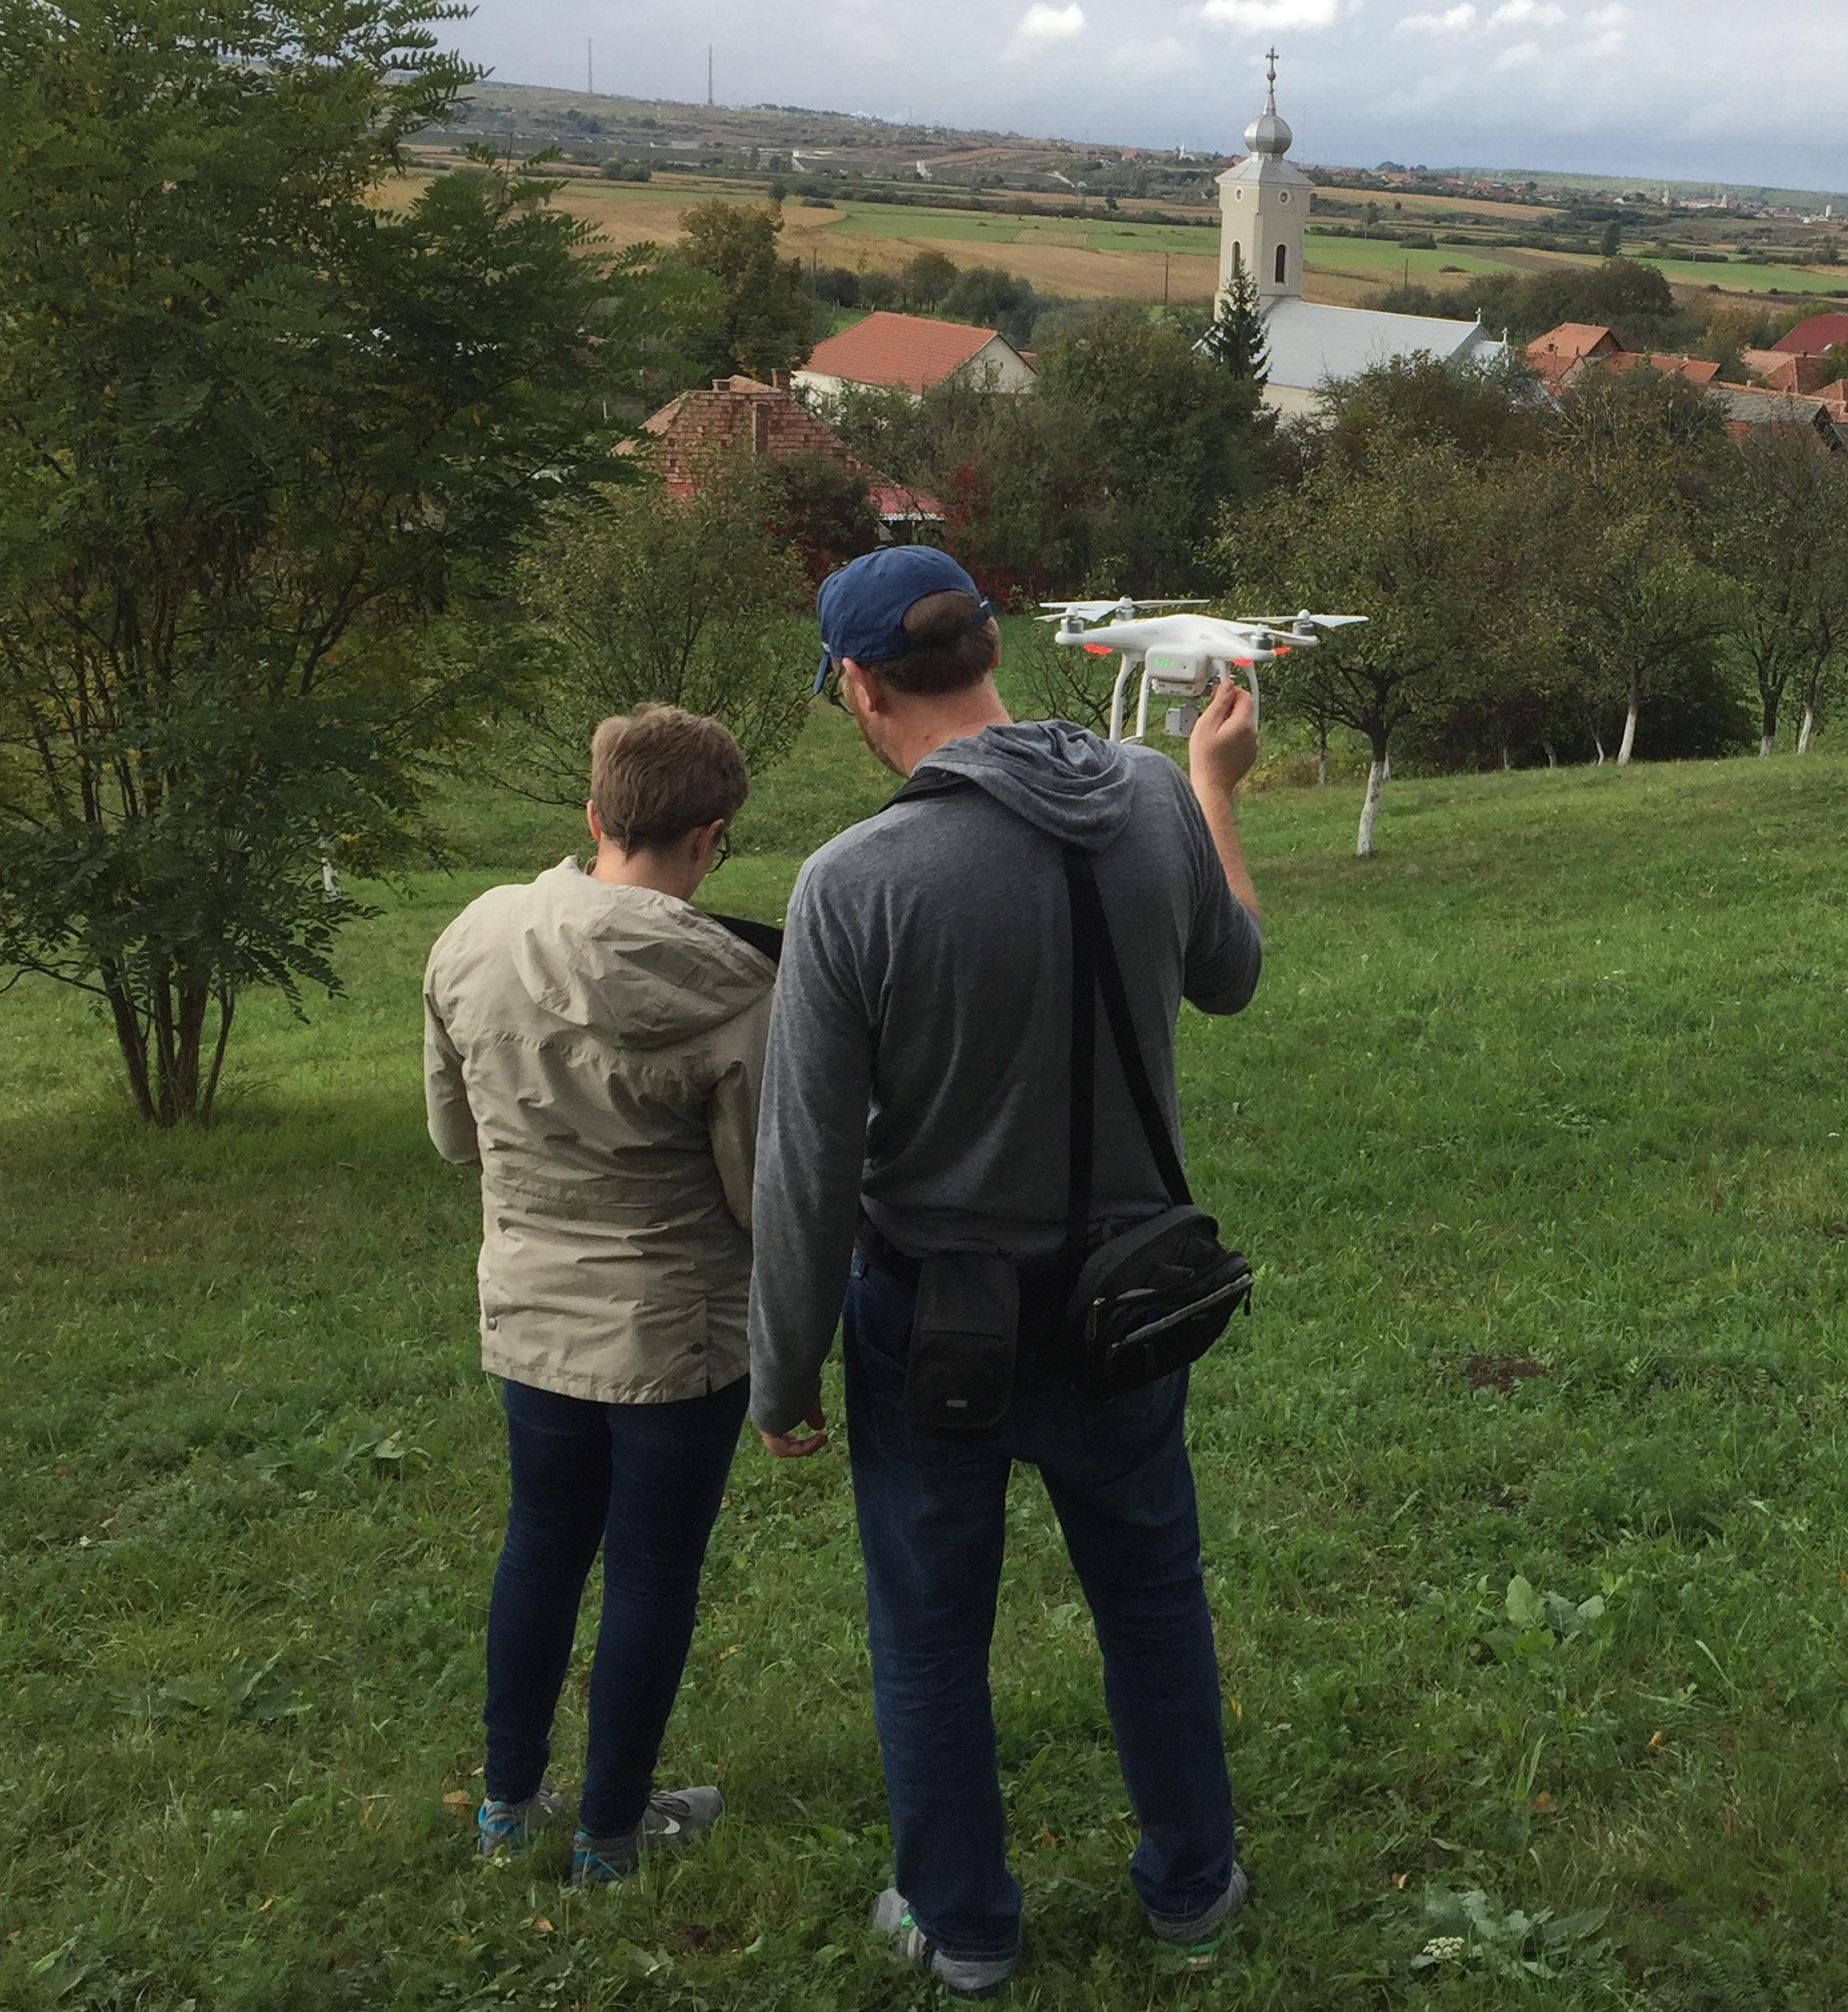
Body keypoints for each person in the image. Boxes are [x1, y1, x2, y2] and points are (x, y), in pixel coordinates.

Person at [748, 547, 1264, 1996]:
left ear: (858, 685)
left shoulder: (853, 885)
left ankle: (964, 1927)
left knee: (927, 1623)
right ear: (991, 649)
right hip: (1127, 1297)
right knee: (1153, 1594)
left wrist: (781, 1374)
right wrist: (1217, 793)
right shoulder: (1154, 797)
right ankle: (1192, 1889)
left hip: (934, 1319)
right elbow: (1230, 975)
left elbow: (803, 1168)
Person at [423, 704, 776, 1885]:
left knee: (541, 1540)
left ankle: (506, 1806)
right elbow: (759, 1192)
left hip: (528, 1313)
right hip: (675, 1334)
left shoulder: (474, 937)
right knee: (652, 1569)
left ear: (594, 815)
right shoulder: (732, 986)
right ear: (710, 834)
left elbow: (455, 1139)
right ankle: (610, 1833)